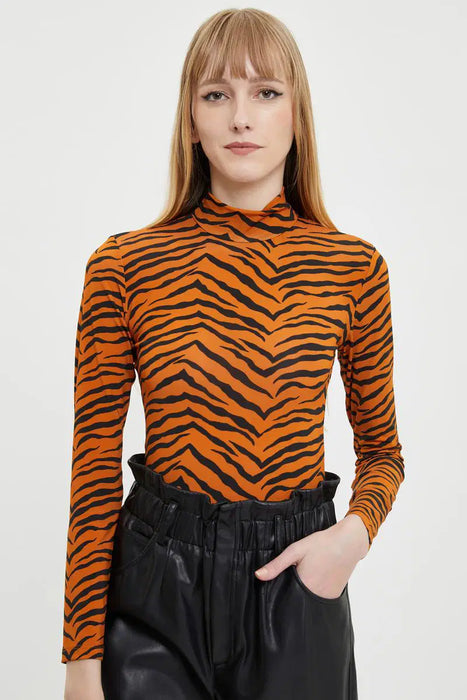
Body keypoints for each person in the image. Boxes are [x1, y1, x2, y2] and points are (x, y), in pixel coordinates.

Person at [62, 8, 405, 700]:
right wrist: (81, 658)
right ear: (191, 119)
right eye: (216, 94)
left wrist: (349, 541)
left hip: (294, 591)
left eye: (266, 92)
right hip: (155, 592)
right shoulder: (124, 266)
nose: (241, 117)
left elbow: (383, 454)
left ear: (297, 115)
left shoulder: (352, 269)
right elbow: (94, 467)